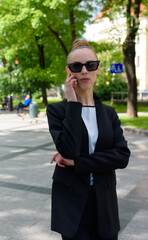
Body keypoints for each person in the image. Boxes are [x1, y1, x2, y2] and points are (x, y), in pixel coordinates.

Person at [46, 40, 130, 240]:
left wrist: (79, 163)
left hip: (104, 203)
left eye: (90, 65)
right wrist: (73, 103)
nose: (84, 71)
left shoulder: (109, 113)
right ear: (69, 71)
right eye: (77, 66)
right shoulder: (57, 111)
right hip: (72, 203)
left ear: (97, 68)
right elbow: (68, 151)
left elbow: (122, 156)